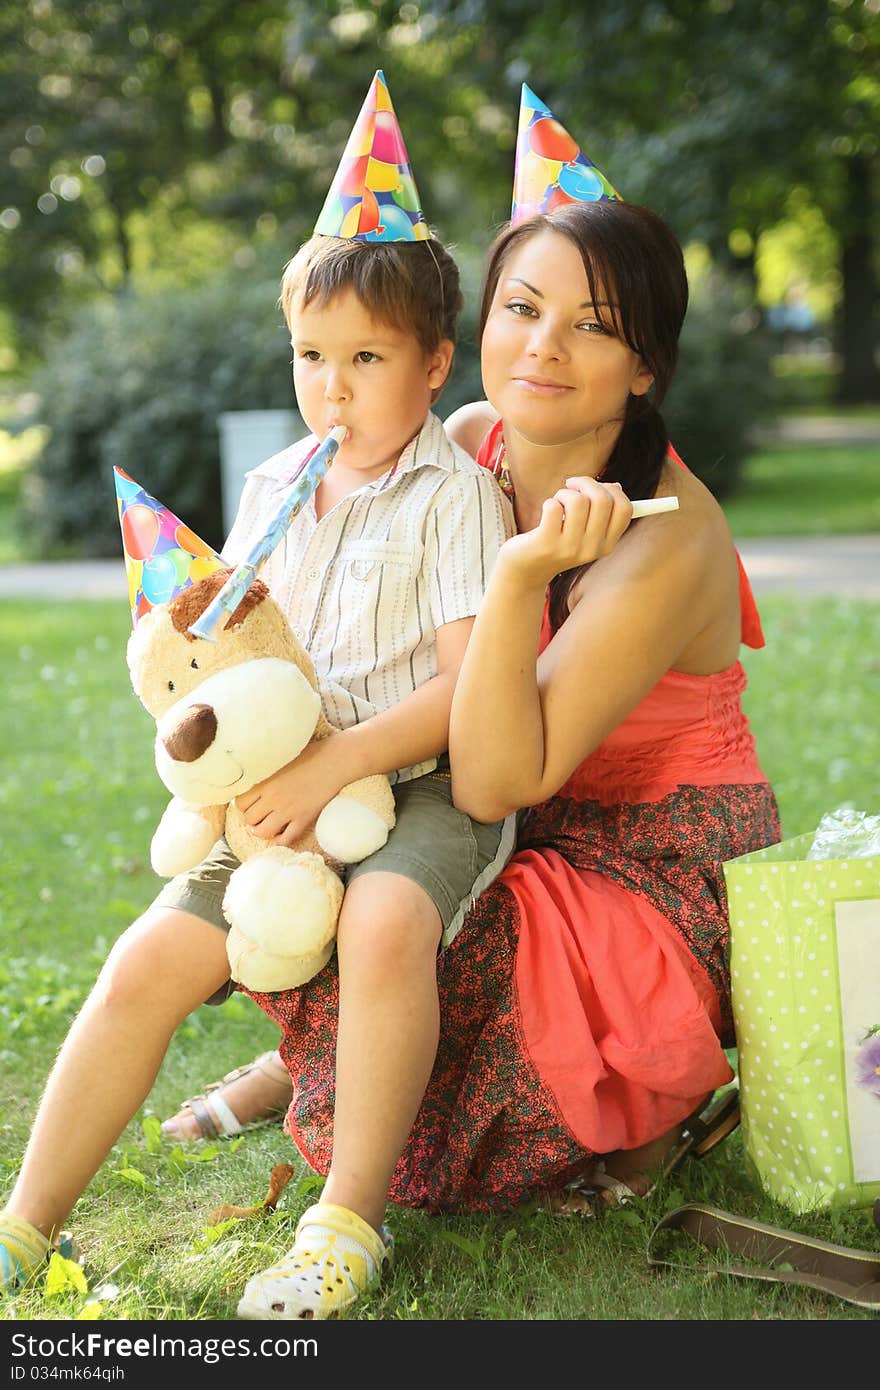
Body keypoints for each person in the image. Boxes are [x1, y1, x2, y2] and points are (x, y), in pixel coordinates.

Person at [230, 96, 781, 1322]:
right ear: (475, 329)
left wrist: (522, 576)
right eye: (521, 309)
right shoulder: (465, 442)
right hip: (521, 821)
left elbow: (491, 780)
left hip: (645, 857)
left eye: (594, 327)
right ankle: (296, 1068)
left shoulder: (666, 533)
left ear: (644, 368)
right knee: (341, 866)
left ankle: (627, 1103)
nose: (542, 346)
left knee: (406, 922)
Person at [0, 71, 515, 1298]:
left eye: (366, 357)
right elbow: (241, 659)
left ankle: (344, 1226)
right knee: (142, 963)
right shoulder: (277, 481)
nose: (330, 384)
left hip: (427, 787)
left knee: (385, 919)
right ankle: (25, 1222)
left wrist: (340, 761)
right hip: (284, 796)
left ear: (435, 362)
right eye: (310, 354)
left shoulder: (456, 497)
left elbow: (468, 692)